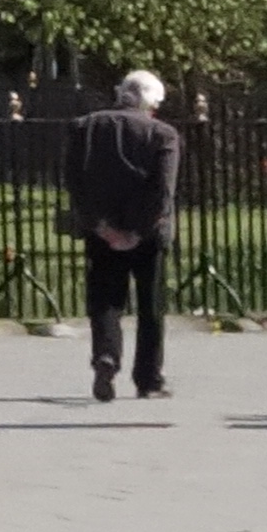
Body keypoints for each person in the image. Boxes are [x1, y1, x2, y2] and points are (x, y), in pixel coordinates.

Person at [71, 69, 183, 405]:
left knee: (105, 300)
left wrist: (101, 225)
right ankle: (148, 378)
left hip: (101, 230)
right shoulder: (163, 134)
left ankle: (106, 356)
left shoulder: (85, 127)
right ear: (150, 101)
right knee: (151, 307)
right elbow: (163, 190)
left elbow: (74, 182)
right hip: (148, 234)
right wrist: (138, 230)